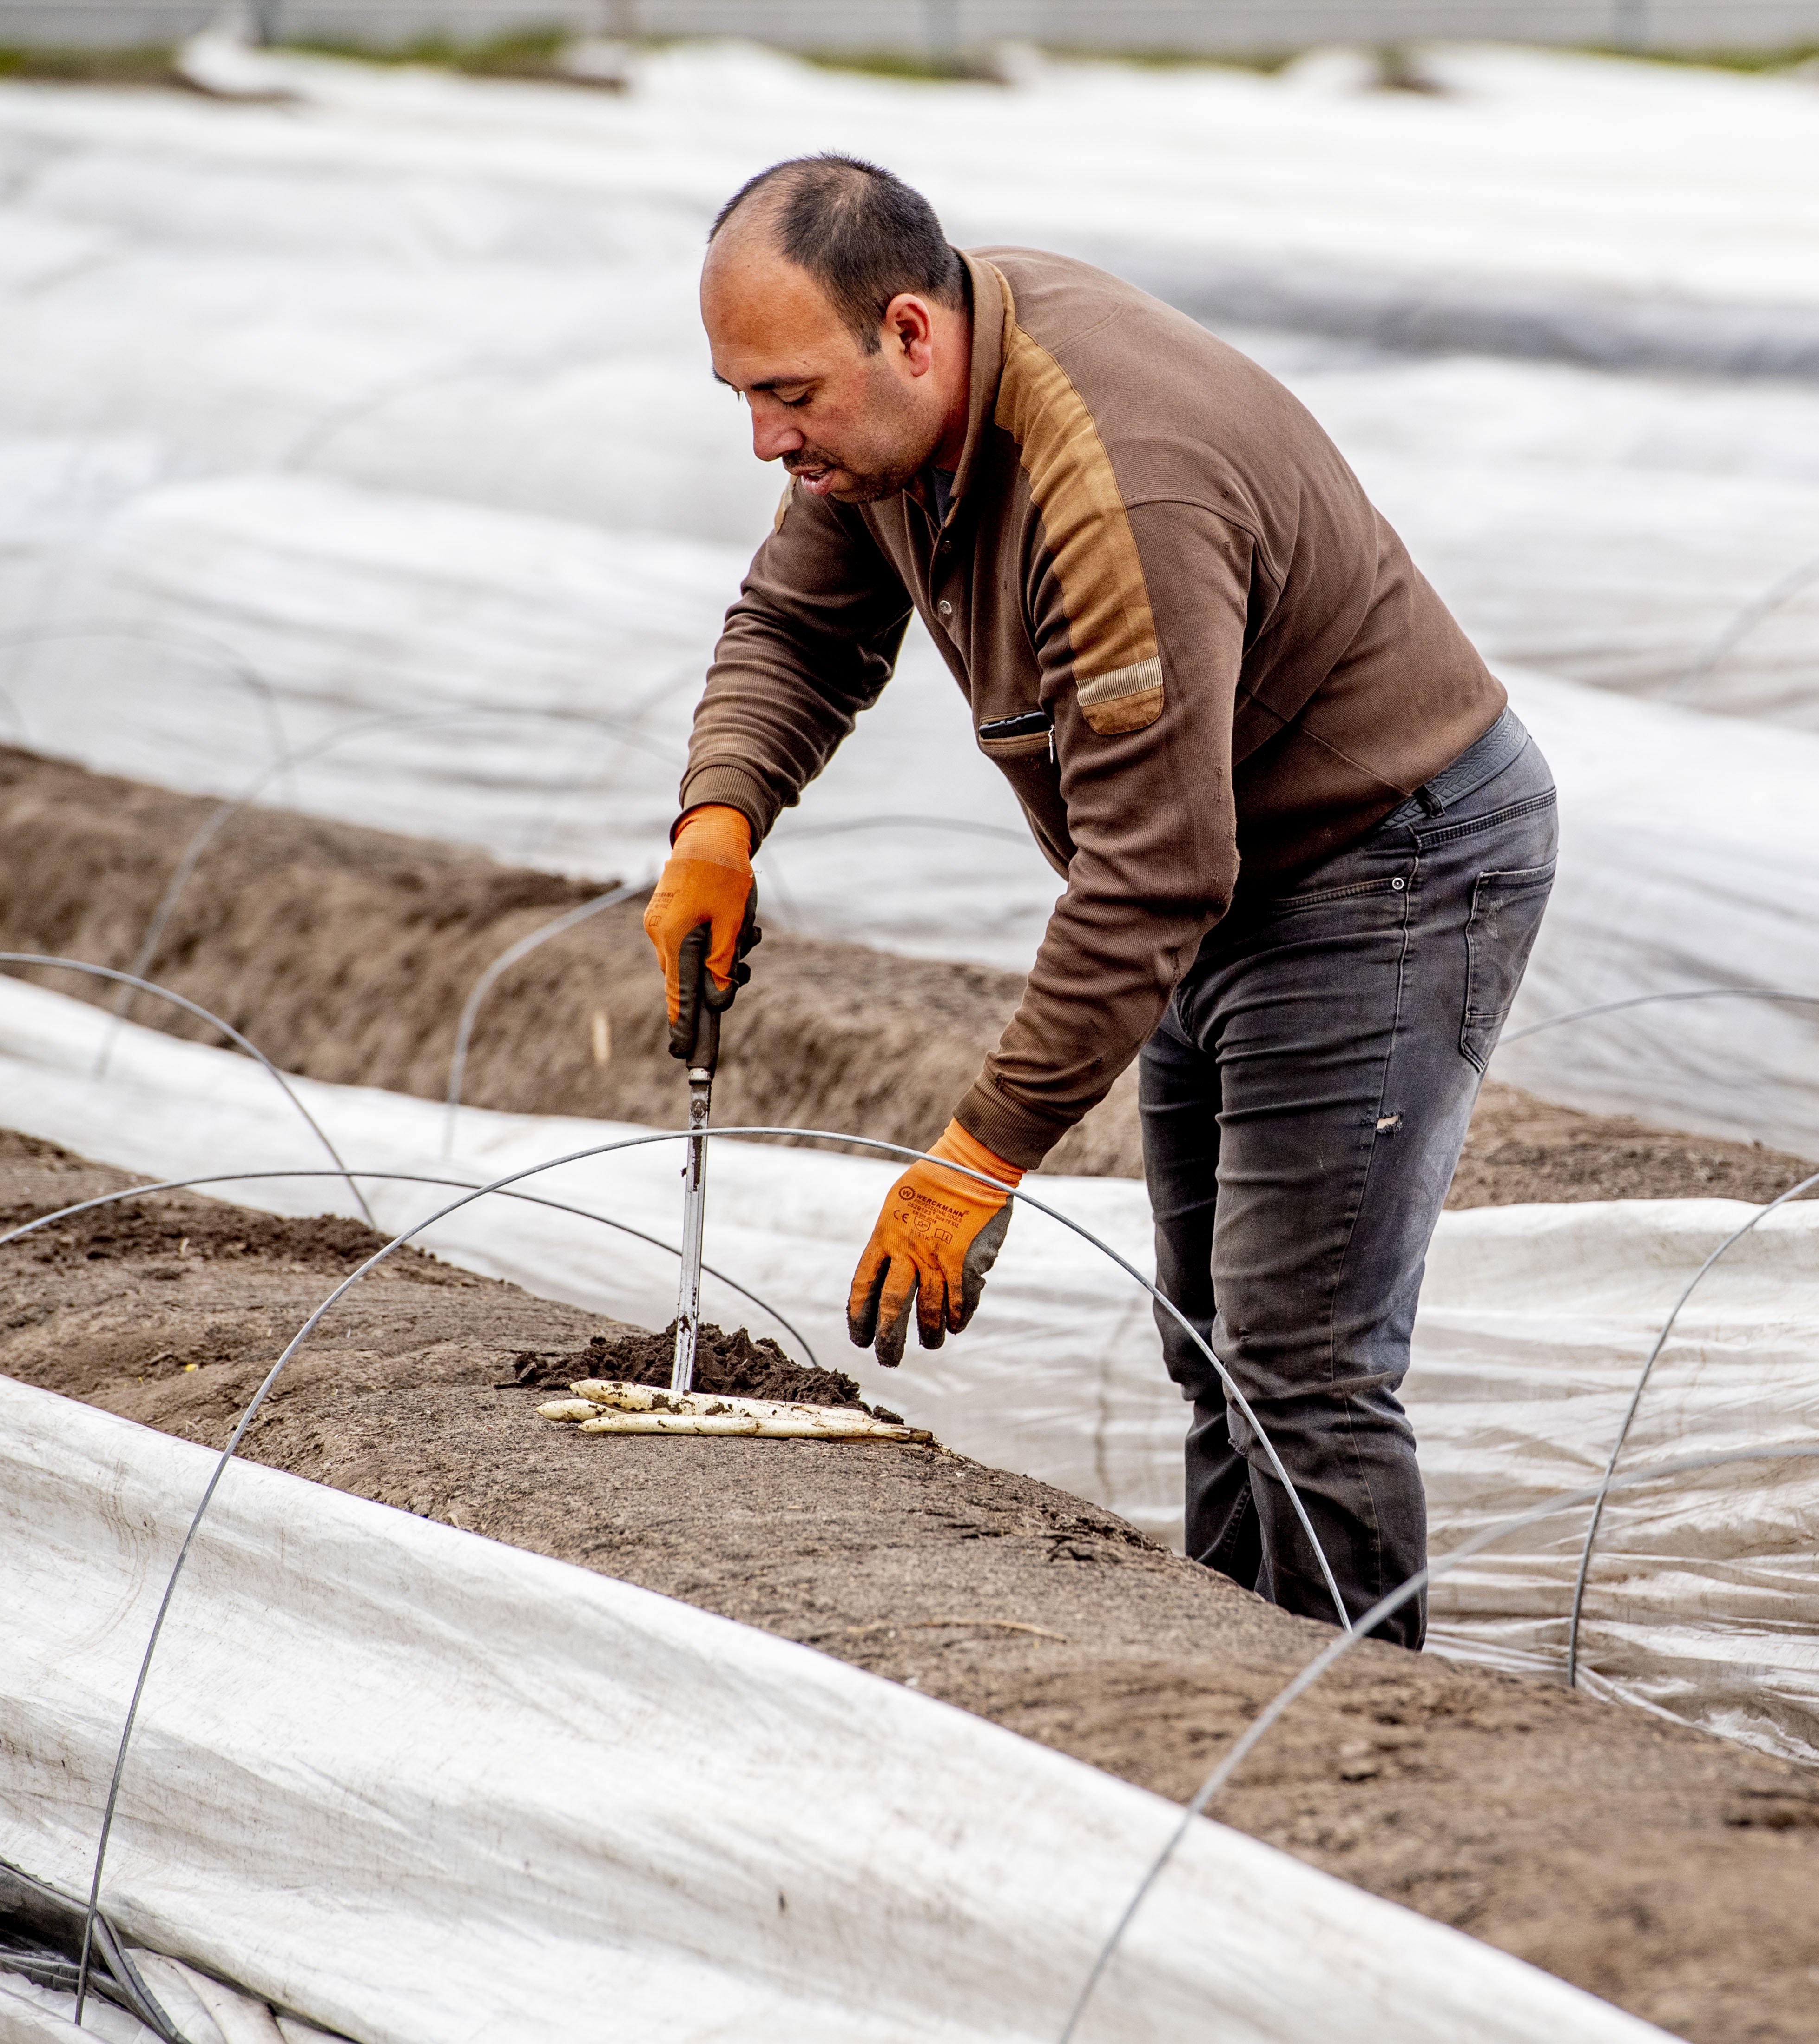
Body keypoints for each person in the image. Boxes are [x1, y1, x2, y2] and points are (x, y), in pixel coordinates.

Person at [643, 155, 1553, 1649]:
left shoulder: (1117, 483)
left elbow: (1152, 878)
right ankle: (1231, 1678)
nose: (765, 437)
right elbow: (800, 625)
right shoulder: (890, 417)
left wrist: (974, 1161)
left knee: (1298, 1355)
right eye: (741, 393)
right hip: (1230, 856)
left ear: (910, 334)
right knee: (1212, 1339)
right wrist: (719, 820)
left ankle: (1366, 1738)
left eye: (787, 392)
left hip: (1385, 863)